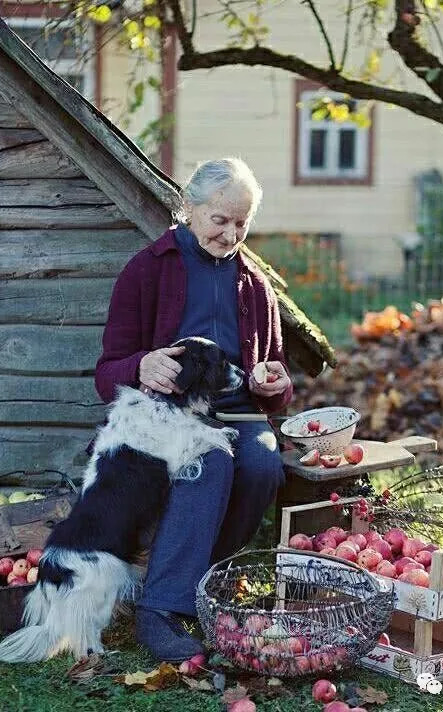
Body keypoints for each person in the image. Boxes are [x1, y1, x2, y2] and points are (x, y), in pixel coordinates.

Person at [94, 157, 293, 661]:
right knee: (210, 463)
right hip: (170, 415)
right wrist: (141, 365)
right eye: (219, 220)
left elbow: (276, 380)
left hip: (238, 412)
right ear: (189, 207)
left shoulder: (255, 284)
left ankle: (209, 584)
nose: (230, 234)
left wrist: (272, 384)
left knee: (264, 464)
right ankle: (160, 610)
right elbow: (106, 371)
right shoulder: (148, 269)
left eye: (241, 223)